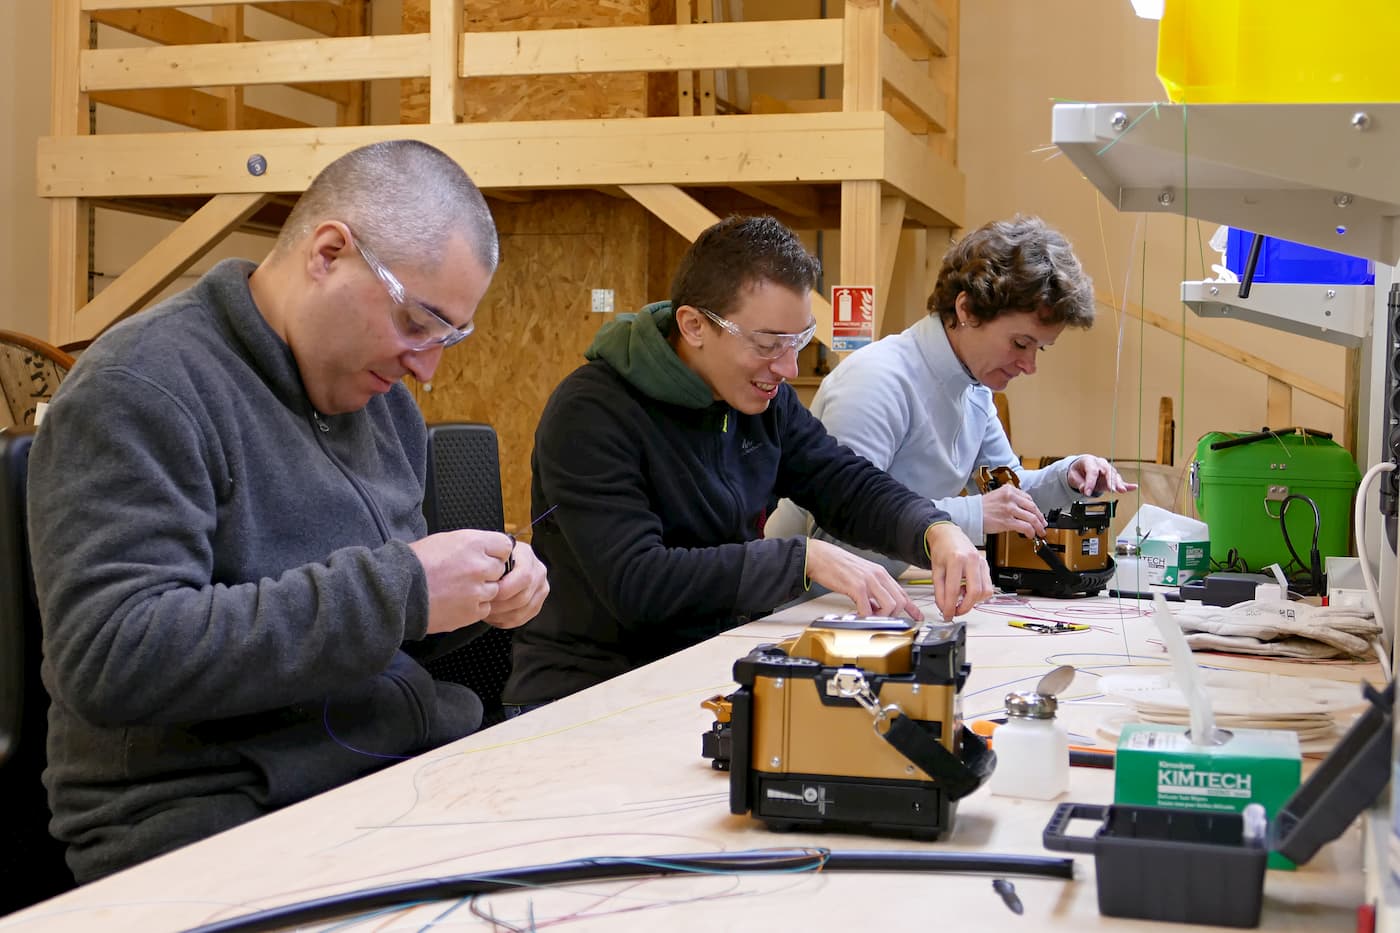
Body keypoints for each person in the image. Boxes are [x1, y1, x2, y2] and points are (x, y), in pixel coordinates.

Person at [27, 140, 549, 883]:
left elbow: (371, 626)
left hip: (387, 772)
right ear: (329, 252)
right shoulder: (139, 389)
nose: (426, 366)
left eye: (447, 338)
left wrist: (470, 595)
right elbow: (111, 653)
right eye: (415, 321)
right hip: (216, 818)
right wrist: (399, 589)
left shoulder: (382, 405)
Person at [502, 215, 993, 709]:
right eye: (767, 344)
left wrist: (934, 529)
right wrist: (801, 558)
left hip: (704, 668)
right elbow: (638, 583)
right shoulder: (592, 412)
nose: (788, 368)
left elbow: (843, 483)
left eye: (798, 341)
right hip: (587, 692)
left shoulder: (761, 400)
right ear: (694, 325)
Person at [764, 215, 1134, 575]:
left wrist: (1068, 477)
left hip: (868, 600)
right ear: (967, 309)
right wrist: (974, 514)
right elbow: (843, 531)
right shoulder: (876, 381)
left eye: (1040, 349)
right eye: (1021, 343)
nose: (1029, 365)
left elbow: (1009, 495)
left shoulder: (972, 388)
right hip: (803, 609)